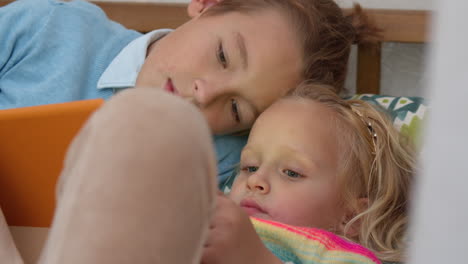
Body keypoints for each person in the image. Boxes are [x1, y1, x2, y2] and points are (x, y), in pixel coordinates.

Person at [1, 82, 411, 263]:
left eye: (291, 172)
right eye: (249, 166)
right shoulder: (211, 212)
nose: (255, 180)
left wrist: (255, 260)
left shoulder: (333, 255)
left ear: (352, 216)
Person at [0, 0, 379, 183]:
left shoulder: (228, 163)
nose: (204, 93)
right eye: (222, 55)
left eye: (235, 109)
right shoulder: (48, 28)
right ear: (206, 5)